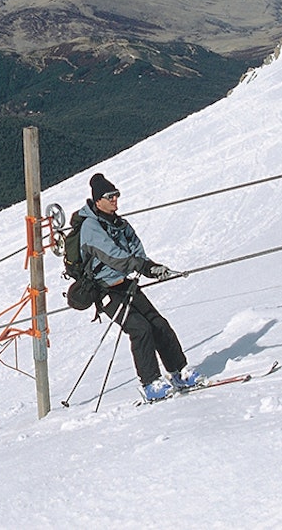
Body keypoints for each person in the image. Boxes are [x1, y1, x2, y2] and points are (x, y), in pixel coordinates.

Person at [75, 172, 199, 402]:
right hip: (105, 290)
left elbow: (137, 251)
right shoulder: (90, 228)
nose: (115, 200)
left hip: (125, 285)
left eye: (116, 195)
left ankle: (178, 371)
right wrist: (144, 268)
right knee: (140, 329)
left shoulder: (120, 224)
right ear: (97, 200)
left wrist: (152, 267)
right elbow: (115, 258)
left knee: (158, 324)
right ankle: (150, 383)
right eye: (110, 196)